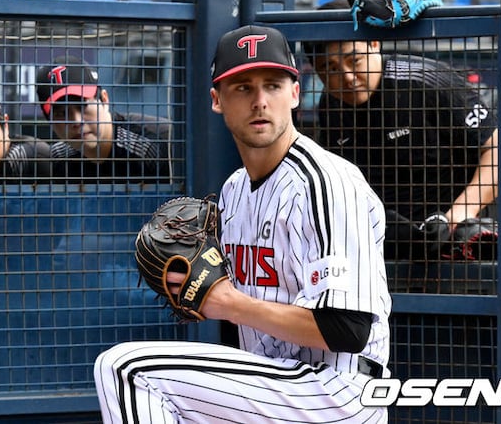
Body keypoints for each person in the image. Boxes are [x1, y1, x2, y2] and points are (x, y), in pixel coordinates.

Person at [94, 25, 391, 423]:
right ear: (217, 100)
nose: (260, 101)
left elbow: (347, 329)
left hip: (335, 391)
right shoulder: (234, 191)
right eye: (243, 88)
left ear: (295, 94)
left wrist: (227, 303)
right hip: (274, 383)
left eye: (272, 86)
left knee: (127, 371)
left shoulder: (327, 182)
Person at [303, 0, 498, 260]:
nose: (348, 77)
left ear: (374, 44)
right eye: (331, 69)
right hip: (381, 251)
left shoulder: (426, 82)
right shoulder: (330, 105)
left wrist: (461, 212)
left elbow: (497, 148)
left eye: (355, 60)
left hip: (454, 246)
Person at [36, 55, 171, 184]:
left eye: (82, 106)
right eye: (61, 113)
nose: (76, 121)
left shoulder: (147, 147)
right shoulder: (59, 158)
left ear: (104, 100)